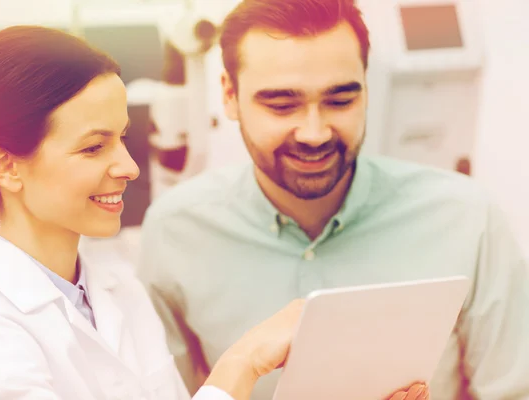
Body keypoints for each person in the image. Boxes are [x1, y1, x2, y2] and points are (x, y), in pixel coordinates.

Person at [0, 25, 423, 400]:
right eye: (93, 147)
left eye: (121, 137)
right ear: (7, 166)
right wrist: (243, 363)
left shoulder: (115, 288)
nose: (126, 166)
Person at [136, 0, 529, 399]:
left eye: (340, 101)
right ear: (229, 95)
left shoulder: (466, 218)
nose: (314, 133)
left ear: (366, 89)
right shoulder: (175, 232)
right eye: (281, 104)